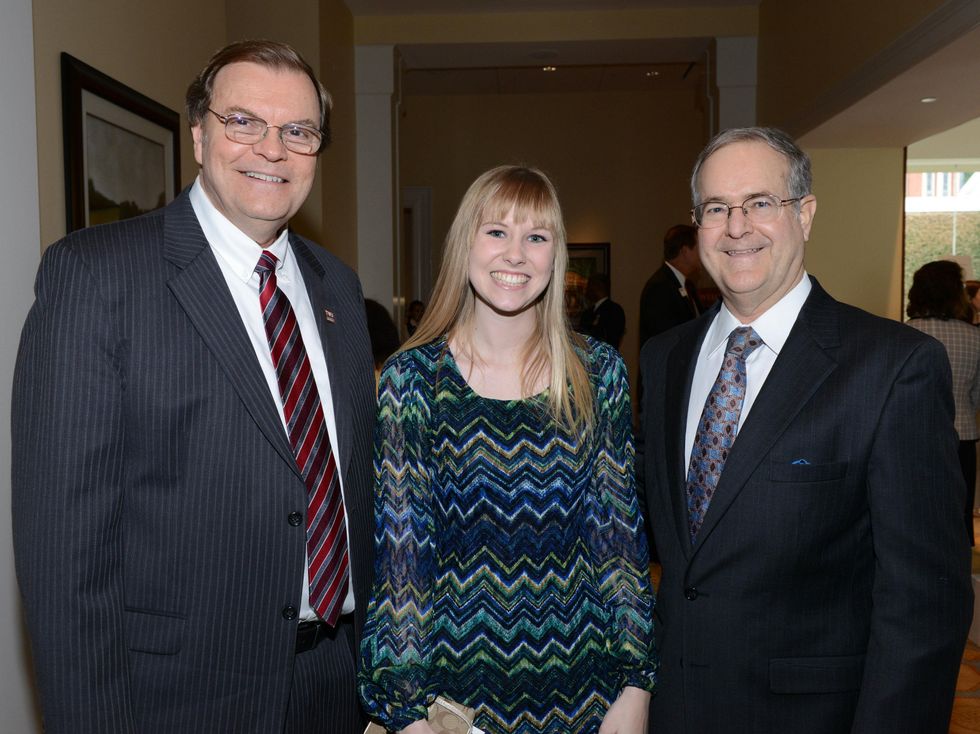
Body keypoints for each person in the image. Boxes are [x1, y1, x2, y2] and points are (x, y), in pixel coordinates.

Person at [12, 40, 376, 733]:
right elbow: (65, 566)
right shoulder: (97, 278)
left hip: (338, 684)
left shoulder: (339, 288)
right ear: (201, 134)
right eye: (244, 122)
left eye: (298, 131)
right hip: (179, 701)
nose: (272, 149)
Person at [638, 127, 972, 733]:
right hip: (674, 712)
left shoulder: (892, 367)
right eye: (717, 208)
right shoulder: (664, 359)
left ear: (806, 214)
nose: (737, 227)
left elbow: (925, 606)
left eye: (761, 203)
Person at [359, 165, 656, 733]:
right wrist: (406, 714)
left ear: (555, 255)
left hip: (589, 694)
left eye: (536, 237)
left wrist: (635, 687)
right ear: (465, 243)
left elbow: (618, 543)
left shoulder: (598, 373)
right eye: (497, 231)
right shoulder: (412, 379)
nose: (515, 254)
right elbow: (401, 562)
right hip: (451, 702)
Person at [907, 260, 980, 545]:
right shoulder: (975, 337)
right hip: (962, 437)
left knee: (914, 513)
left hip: (911, 437)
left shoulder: (902, 332)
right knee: (959, 516)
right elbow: (976, 395)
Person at [638, 223, 703, 350]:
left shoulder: (689, 285)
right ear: (684, 251)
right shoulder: (659, 287)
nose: (702, 253)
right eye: (698, 248)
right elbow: (665, 338)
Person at [579, 271, 626, 349]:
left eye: (589, 285)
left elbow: (610, 339)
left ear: (598, 286)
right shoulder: (587, 313)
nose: (586, 290)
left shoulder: (614, 310)